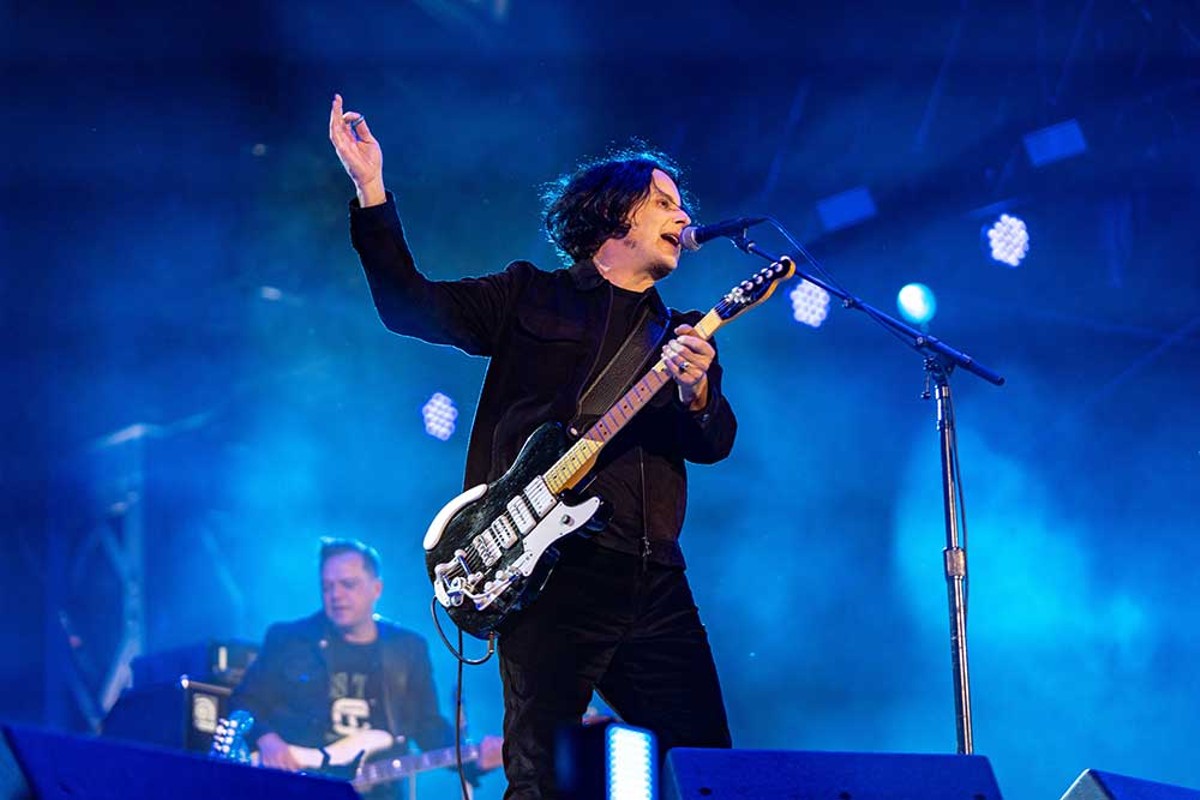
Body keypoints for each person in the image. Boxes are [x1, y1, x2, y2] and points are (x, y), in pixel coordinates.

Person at [329, 94, 736, 799]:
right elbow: (406, 305)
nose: (683, 217)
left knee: (709, 771)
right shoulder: (529, 297)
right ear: (614, 214)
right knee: (539, 775)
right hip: (549, 568)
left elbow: (712, 442)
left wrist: (698, 392)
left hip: (652, 577)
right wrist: (370, 189)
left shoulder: (683, 338)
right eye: (665, 202)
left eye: (682, 206)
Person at [230, 537, 500, 798]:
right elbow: (243, 701)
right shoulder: (289, 639)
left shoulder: (407, 649)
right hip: (300, 787)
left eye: (348, 584)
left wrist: (475, 759)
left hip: (379, 792)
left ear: (376, 589)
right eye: (327, 587)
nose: (336, 595)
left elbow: (427, 727)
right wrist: (266, 739)